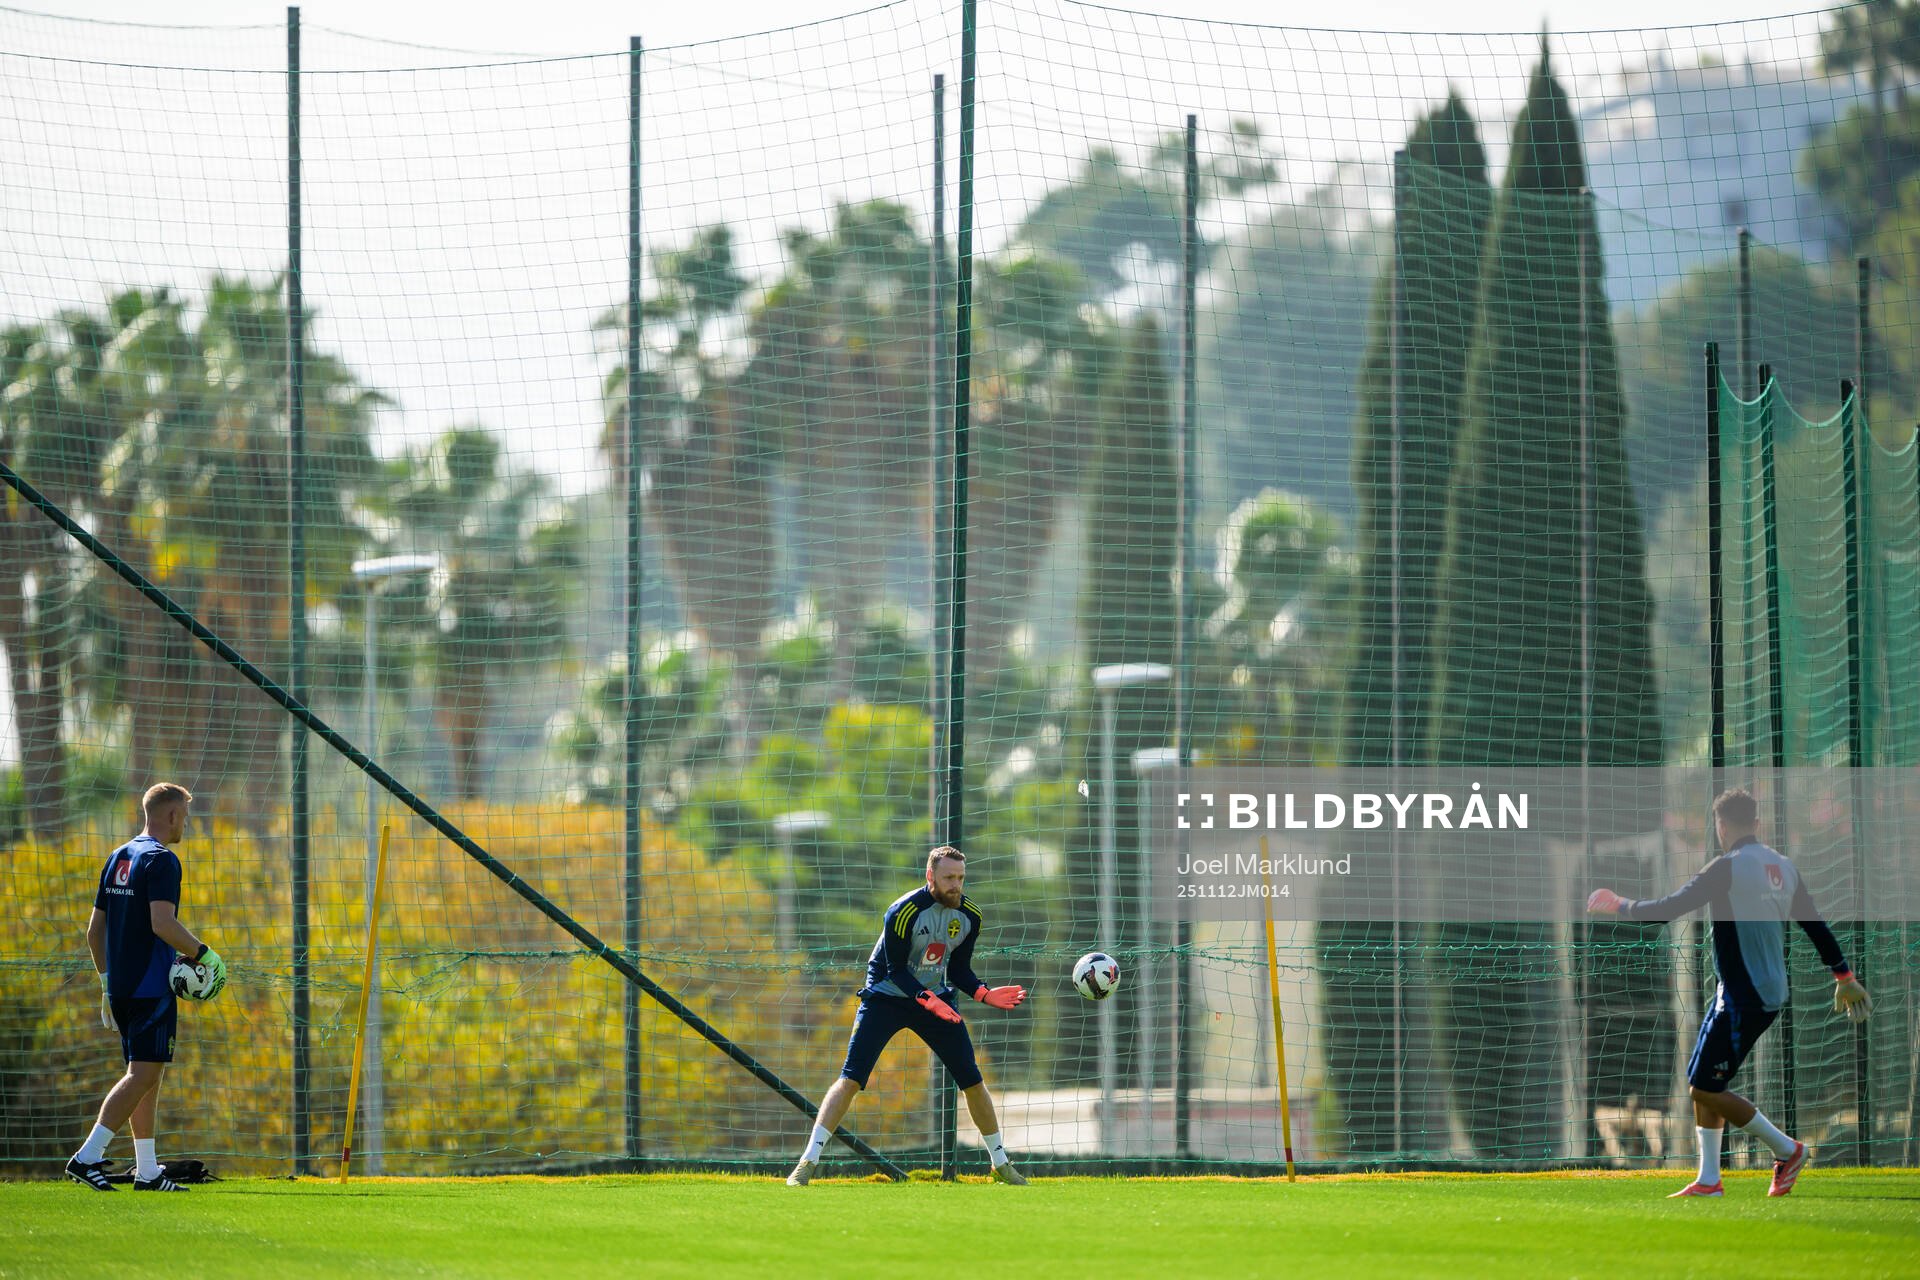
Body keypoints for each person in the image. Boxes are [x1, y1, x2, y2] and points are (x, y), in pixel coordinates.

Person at [1587, 786, 1871, 1198]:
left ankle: (1787, 1150)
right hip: (1756, 991)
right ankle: (1708, 1179)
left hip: (1744, 995)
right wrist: (1844, 977)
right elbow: (1815, 925)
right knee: (1702, 1081)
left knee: (1705, 1088)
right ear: (1756, 823)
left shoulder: (1726, 867)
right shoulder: (1783, 867)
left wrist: (1619, 904)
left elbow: (1668, 909)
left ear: (1720, 825)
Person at [787, 846, 1030, 1185]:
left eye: (960, 878)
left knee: (972, 1080)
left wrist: (982, 993)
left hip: (935, 1000)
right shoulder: (903, 912)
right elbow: (895, 970)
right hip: (886, 997)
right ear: (930, 876)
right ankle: (807, 1163)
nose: (955, 885)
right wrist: (924, 998)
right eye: (948, 878)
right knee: (852, 1078)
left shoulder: (970, 916)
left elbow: (958, 969)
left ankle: (1001, 1164)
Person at [66, 782, 226, 1192]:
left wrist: (105, 984)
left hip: (120, 988)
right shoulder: (163, 860)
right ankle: (87, 1157)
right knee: (142, 1075)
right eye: (184, 818)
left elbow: (93, 931)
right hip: (150, 986)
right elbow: (162, 924)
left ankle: (148, 1170)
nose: (185, 826)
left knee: (146, 1074)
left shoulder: (119, 855)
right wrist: (204, 954)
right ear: (171, 815)